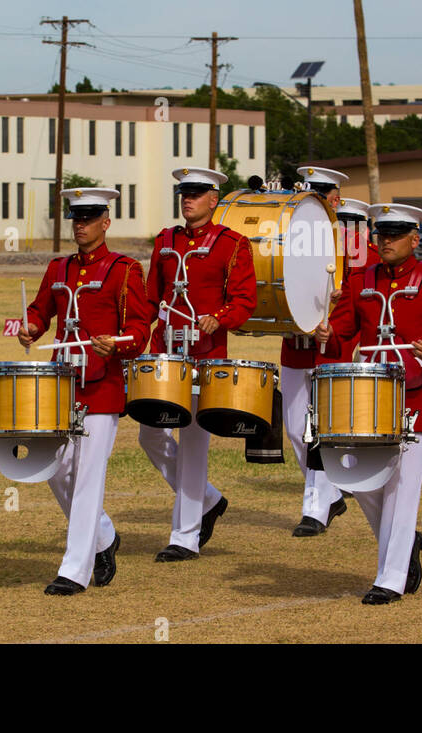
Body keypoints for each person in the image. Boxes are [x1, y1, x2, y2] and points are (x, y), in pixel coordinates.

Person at [315, 203, 422, 604]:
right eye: (381, 235)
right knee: (360, 480)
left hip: (416, 394)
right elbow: (342, 333)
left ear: (414, 240)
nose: (385, 242)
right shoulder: (360, 278)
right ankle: (404, 541)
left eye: (394, 235)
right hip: (366, 393)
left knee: (401, 488)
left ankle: (391, 577)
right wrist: (323, 330)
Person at [18, 187, 153, 594]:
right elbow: (41, 310)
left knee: (90, 477)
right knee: (56, 470)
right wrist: (28, 326)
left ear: (105, 223)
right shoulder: (58, 269)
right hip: (62, 384)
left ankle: (74, 569)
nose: (80, 225)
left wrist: (119, 343)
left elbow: (141, 329)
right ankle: (104, 537)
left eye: (89, 218)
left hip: (102, 385)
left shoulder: (124, 269)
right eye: (76, 218)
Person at [139, 167, 257, 560]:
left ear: (213, 199)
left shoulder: (233, 244)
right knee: (150, 435)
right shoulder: (167, 240)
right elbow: (150, 299)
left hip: (205, 354)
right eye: (183, 193)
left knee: (191, 443)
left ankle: (184, 536)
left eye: (195, 193)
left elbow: (243, 301)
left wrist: (219, 317)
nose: (187, 199)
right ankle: (207, 499)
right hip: (164, 351)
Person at [277, 169, 361, 538]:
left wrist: (336, 333)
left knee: (321, 432)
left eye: (322, 195)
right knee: (296, 430)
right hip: (295, 349)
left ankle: (315, 507)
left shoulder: (353, 244)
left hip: (331, 349)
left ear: (336, 200)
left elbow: (358, 301)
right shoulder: (288, 239)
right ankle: (331, 492)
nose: (312, 202)